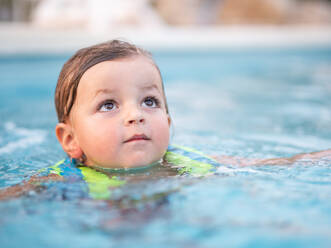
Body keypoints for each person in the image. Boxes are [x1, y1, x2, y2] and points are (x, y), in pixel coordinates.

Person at [1, 40, 330, 200]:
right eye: (108, 105)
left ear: (169, 125)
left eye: (149, 101)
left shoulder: (187, 163)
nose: (136, 115)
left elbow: (275, 164)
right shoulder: (62, 183)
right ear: (70, 140)